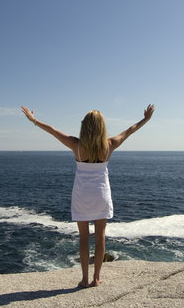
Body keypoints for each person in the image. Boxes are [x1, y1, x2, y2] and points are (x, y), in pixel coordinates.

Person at [21, 104, 155, 288]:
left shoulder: (76, 145)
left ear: (85, 126)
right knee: (100, 237)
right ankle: (96, 278)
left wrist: (34, 120)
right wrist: (146, 119)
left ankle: (84, 279)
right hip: (101, 195)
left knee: (83, 238)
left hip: (82, 195)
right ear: (102, 127)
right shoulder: (109, 144)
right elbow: (129, 131)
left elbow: (52, 131)